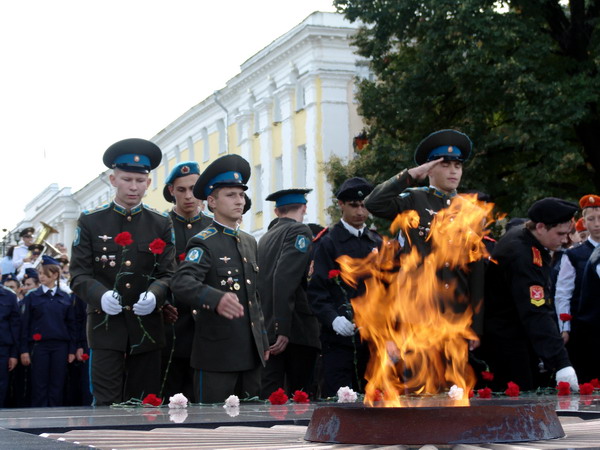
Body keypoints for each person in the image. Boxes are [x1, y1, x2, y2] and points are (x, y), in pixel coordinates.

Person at [69, 138, 176, 406]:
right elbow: (79, 274)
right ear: (113, 179)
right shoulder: (91, 221)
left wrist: (155, 295)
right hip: (106, 328)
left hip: (147, 328)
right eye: (127, 179)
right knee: (106, 404)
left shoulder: (160, 222)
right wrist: (100, 295)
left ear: (148, 183)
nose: (133, 186)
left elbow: (168, 273)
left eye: (140, 181)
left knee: (145, 405)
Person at [365, 129, 484, 347]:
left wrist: (476, 324)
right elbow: (374, 203)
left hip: (455, 317)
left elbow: (476, 272)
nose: (453, 171)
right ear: (429, 169)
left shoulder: (472, 212)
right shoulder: (414, 200)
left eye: (457, 166)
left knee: (454, 371)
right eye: (445, 165)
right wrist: (410, 175)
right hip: (417, 314)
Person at [170, 154, 269, 403]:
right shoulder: (204, 242)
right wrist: (215, 299)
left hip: (251, 353)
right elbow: (181, 282)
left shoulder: (248, 241)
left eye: (241, 194)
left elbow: (254, 297)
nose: (239, 200)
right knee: (213, 422)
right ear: (212, 202)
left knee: (252, 421)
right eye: (231, 195)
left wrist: (262, 339)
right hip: (217, 356)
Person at [483, 197, 579, 391]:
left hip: (516, 334)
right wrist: (561, 362)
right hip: (507, 340)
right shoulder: (522, 255)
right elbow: (535, 311)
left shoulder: (527, 238)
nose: (564, 240)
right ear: (541, 227)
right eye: (560, 234)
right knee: (520, 395)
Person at [308, 177, 382, 397]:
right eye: (354, 205)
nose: (360, 212)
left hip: (372, 338)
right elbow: (317, 291)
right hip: (339, 340)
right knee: (342, 399)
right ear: (341, 204)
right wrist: (333, 319)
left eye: (364, 206)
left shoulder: (376, 242)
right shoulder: (328, 243)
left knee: (375, 401)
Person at [257, 188, 321, 398]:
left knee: (271, 397)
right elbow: (284, 278)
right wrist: (282, 328)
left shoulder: (265, 238)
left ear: (277, 212)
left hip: (269, 326)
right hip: (295, 331)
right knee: (300, 398)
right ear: (304, 208)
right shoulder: (300, 231)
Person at [161, 161, 211, 400]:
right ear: (172, 190)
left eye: (193, 189)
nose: (189, 196)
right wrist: (162, 303)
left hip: (206, 328)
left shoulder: (212, 227)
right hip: (170, 327)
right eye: (181, 190)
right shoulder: (160, 226)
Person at [20, 255, 76, 406]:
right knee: (39, 383)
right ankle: (40, 414)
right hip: (39, 346)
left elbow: (71, 325)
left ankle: (55, 413)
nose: (42, 276)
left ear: (55, 275)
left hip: (60, 346)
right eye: (40, 273)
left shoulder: (64, 297)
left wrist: (72, 350)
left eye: (45, 273)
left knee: (57, 383)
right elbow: (25, 325)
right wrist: (24, 350)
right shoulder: (33, 297)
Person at [554, 195, 600, 378]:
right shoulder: (574, 255)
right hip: (585, 327)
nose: (597, 224)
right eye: (591, 219)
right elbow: (563, 293)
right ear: (584, 222)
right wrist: (564, 327)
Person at [0, 283, 19, 407]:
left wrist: (13, 354)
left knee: (1, 384)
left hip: (3, 348)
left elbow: (15, 327)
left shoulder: (9, 296)